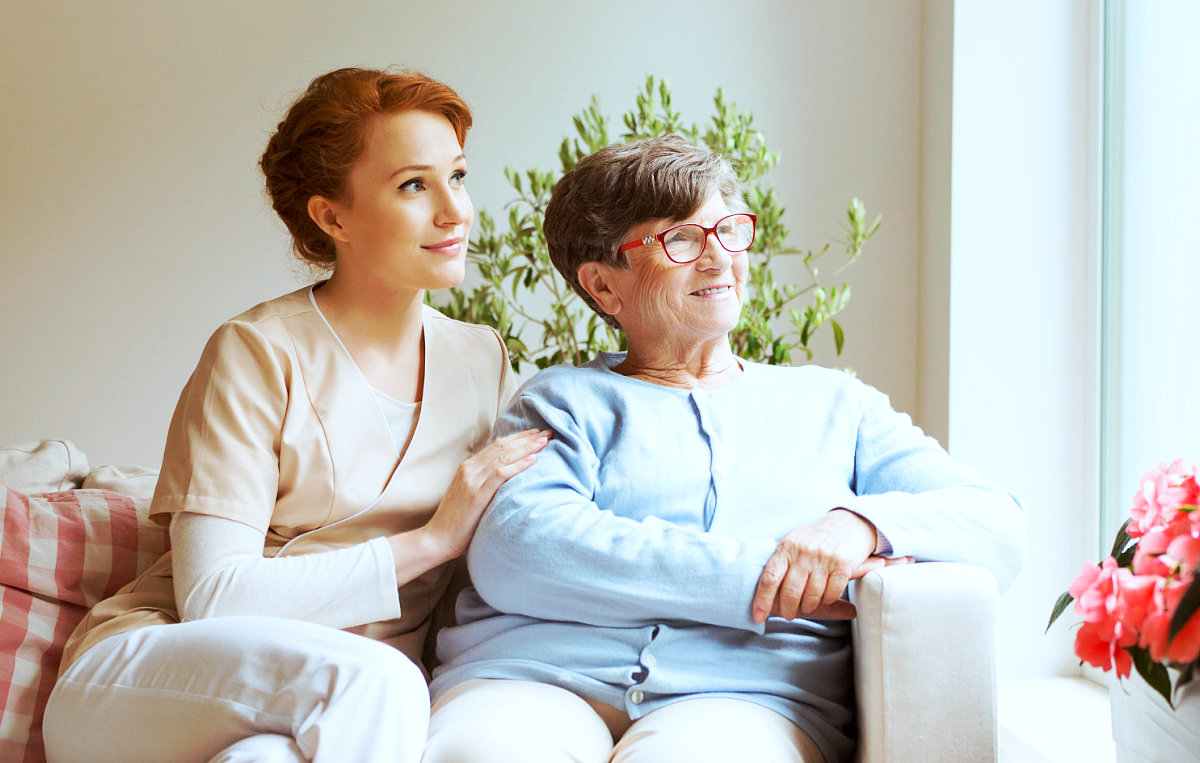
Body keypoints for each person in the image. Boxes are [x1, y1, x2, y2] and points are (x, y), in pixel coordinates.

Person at [424, 136, 1025, 763]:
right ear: (603, 286)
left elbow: (997, 524)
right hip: (531, 676)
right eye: (680, 240)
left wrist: (861, 524)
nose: (717, 258)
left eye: (729, 230)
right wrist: (768, 578)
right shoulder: (560, 399)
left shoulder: (837, 406)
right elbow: (523, 550)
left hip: (743, 695)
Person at [42, 67, 548, 763]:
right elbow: (215, 596)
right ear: (331, 216)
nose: (455, 210)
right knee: (378, 681)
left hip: (329, 712)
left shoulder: (480, 358)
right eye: (413, 185)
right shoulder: (255, 352)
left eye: (456, 176)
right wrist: (431, 540)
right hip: (153, 677)